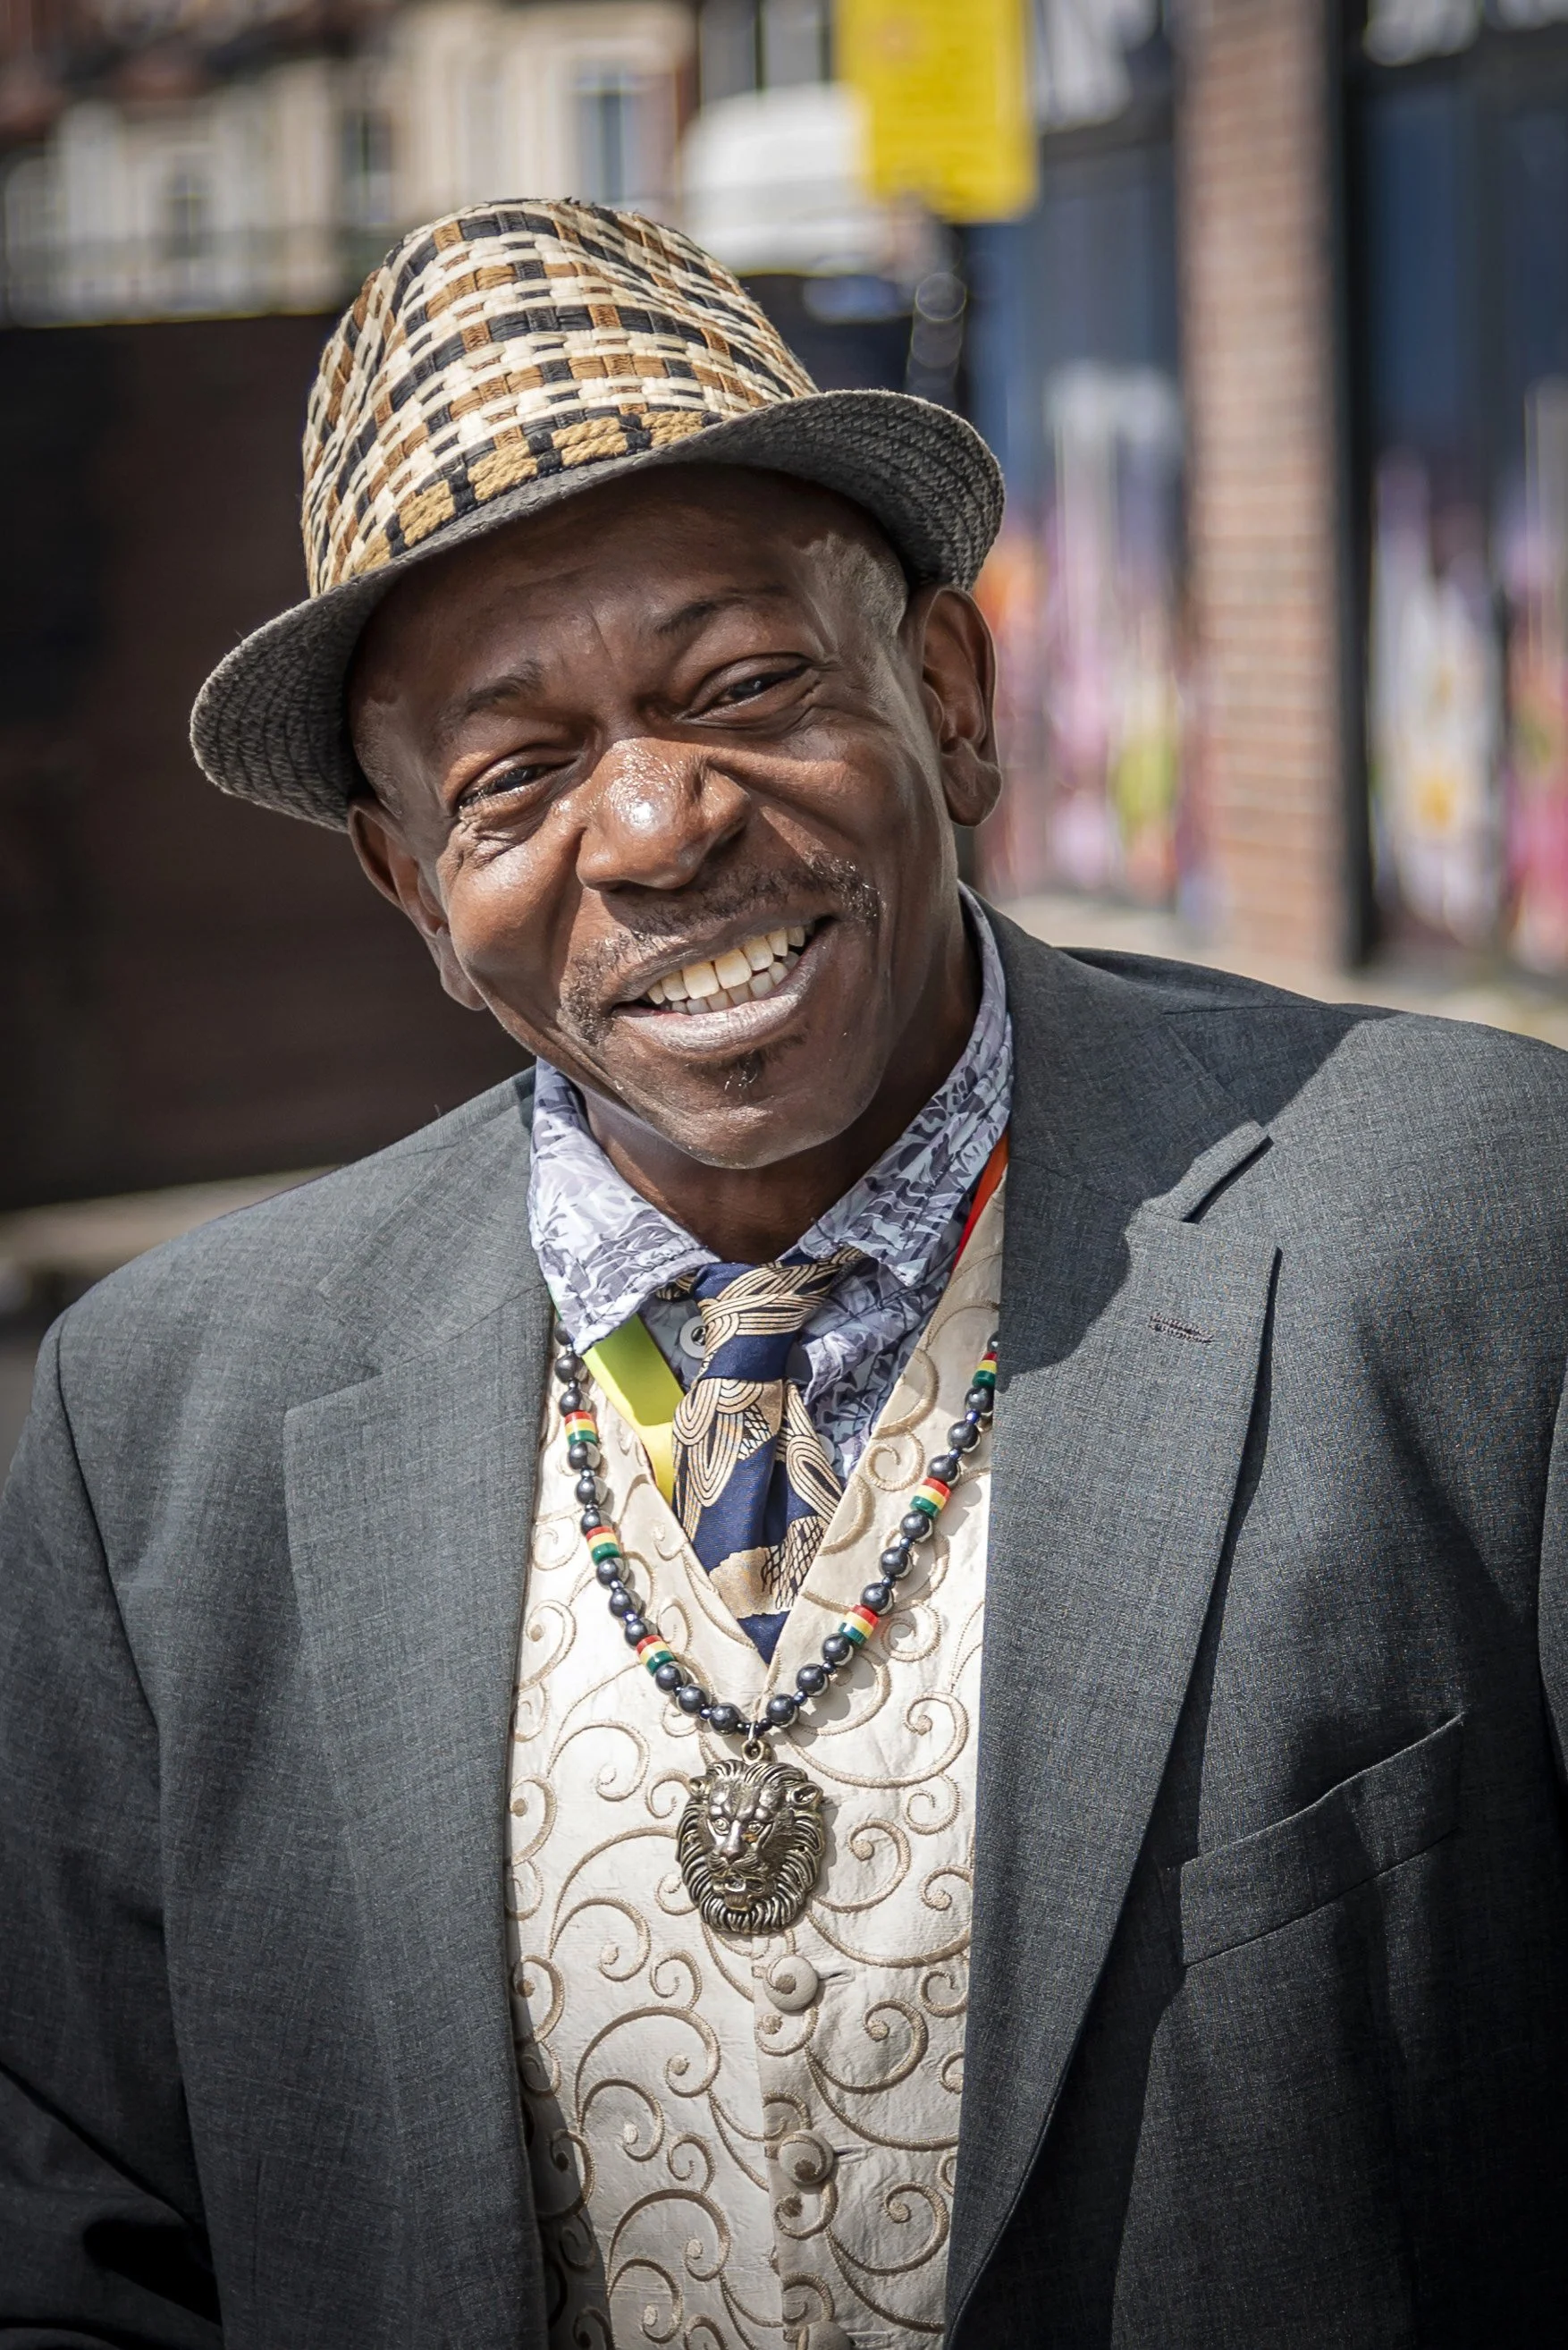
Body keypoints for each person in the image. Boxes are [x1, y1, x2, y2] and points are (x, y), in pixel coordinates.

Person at [3, 200, 1566, 2350]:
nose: (654, 828)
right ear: (413, 889)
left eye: (743, 687)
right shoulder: (158, 1426)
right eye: (514, 776)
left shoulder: (1471, 1223)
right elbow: (81, 2241)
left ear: (942, 695)